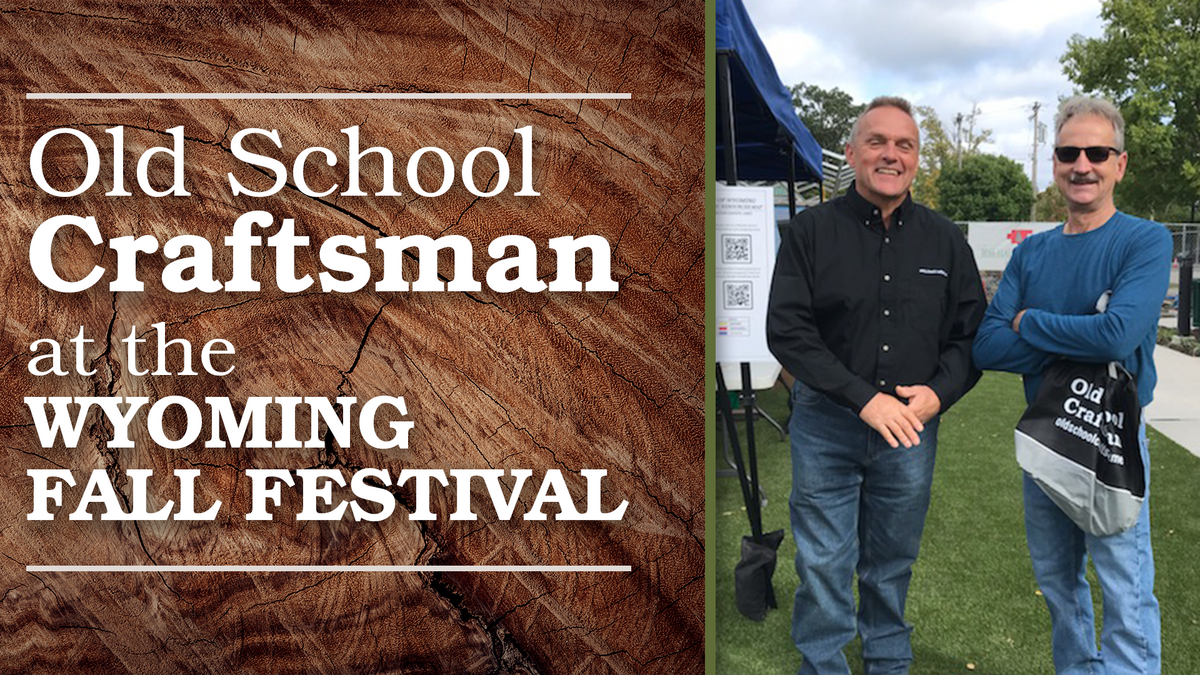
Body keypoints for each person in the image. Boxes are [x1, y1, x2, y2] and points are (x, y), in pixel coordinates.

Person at [767, 96, 986, 675]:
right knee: (823, 561)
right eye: (878, 142)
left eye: (904, 145)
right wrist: (863, 398)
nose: (891, 154)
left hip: (912, 428)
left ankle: (887, 658)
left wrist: (940, 392)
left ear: (916, 160)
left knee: (891, 559)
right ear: (852, 153)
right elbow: (788, 333)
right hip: (827, 424)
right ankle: (824, 662)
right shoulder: (810, 232)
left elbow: (970, 337)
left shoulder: (945, 241)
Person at [973, 96, 1171, 675]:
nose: (1081, 164)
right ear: (1055, 163)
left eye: (1097, 152)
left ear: (1120, 164)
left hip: (1112, 439)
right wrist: (1085, 324)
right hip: (1045, 439)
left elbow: (1115, 336)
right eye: (1068, 152)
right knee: (1059, 586)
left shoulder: (1144, 240)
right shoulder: (1033, 250)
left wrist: (1030, 320)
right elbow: (987, 345)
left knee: (1125, 589)